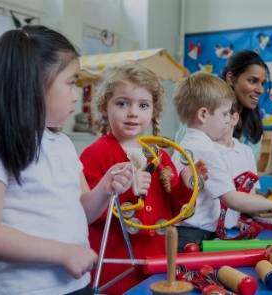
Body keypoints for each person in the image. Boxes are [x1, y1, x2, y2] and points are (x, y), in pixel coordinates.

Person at [0, 26, 133, 295]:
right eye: (71, 82)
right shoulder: (3, 144)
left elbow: (83, 210)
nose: (76, 94)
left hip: (77, 284)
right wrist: (62, 253)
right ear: (34, 83)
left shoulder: (63, 145)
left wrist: (105, 188)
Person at [80, 62, 206, 294]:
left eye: (143, 105)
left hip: (157, 262)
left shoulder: (161, 155)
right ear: (104, 106)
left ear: (153, 111)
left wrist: (189, 183)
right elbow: (88, 214)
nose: (133, 112)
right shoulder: (94, 155)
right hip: (115, 267)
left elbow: (177, 206)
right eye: (122, 103)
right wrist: (126, 191)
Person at [172, 73, 272, 251]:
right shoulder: (207, 150)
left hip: (183, 234)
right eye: (224, 114)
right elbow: (232, 199)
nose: (227, 120)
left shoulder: (185, 144)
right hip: (194, 237)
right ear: (203, 115)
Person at [214, 102, 259, 230]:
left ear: (234, 118)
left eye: (221, 115)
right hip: (210, 228)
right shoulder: (207, 149)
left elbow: (250, 193)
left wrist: (241, 219)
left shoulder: (246, 152)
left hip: (234, 228)